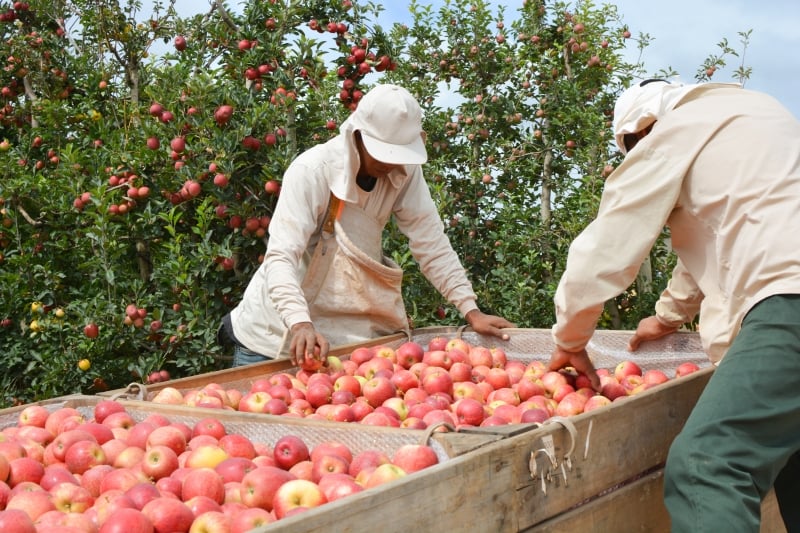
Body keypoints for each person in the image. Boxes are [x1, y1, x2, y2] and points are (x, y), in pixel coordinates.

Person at [547, 78, 800, 532]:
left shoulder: (671, 134)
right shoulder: (756, 113)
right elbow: (717, 236)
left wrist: (570, 338)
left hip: (790, 305)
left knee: (707, 466)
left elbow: (604, 250)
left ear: (643, 131)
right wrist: (667, 316)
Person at [220, 84, 515, 368]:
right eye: (384, 152)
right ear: (358, 135)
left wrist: (470, 309)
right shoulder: (312, 171)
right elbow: (281, 256)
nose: (391, 163)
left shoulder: (404, 171)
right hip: (271, 337)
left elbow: (431, 243)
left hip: (335, 339)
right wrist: (300, 323)